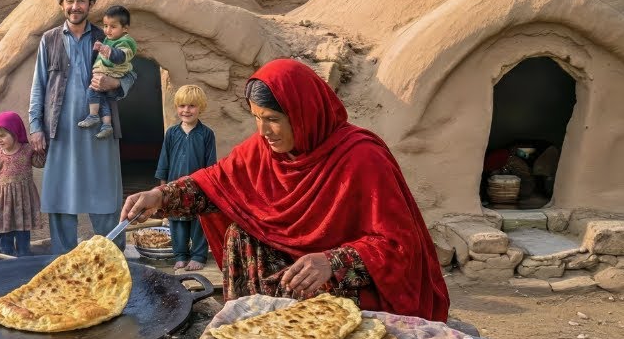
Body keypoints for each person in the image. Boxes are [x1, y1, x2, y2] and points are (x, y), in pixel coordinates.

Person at [120, 59, 449, 321]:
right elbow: (214, 185)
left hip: (339, 283)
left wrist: (332, 262)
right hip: (289, 275)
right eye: (257, 119)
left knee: (325, 315)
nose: (263, 131)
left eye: (273, 119)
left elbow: (397, 245)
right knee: (241, 234)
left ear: (303, 112)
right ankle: (251, 328)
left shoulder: (362, 157)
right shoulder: (263, 151)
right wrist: (160, 197)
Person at [29, 0, 135, 255]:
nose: (76, 6)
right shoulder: (49, 39)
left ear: (90, 4)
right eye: (70, 1)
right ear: (62, 5)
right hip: (60, 131)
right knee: (62, 195)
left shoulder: (105, 37)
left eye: (81, 1)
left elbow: (130, 72)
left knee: (105, 195)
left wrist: (116, 84)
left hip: (101, 130)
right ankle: (64, 261)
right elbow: (39, 85)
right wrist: (35, 127)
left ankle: (110, 260)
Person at [155, 84, 217, 272]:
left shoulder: (206, 134)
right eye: (182, 106)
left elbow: (211, 163)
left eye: (191, 106)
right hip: (175, 185)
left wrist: (209, 188)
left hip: (199, 187)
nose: (186, 110)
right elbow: (164, 159)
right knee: (177, 221)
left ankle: (198, 256)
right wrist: (162, 189)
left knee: (199, 221)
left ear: (201, 108)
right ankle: (181, 255)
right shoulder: (172, 133)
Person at [0, 112, 45, 256]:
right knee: (5, 238)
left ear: (15, 132)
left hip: (23, 202)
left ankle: (23, 261)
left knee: (23, 237)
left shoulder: (27, 150)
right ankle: (6, 264)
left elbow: (40, 163)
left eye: (2, 135)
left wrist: (40, 148)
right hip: (3, 204)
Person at [77, 5, 139, 140]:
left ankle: (93, 116)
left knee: (91, 91)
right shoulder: (109, 39)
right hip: (105, 75)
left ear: (125, 28)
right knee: (103, 100)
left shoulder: (126, 41)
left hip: (113, 74)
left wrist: (105, 49)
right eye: (105, 26)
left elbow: (120, 57)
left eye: (113, 26)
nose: (107, 30)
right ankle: (106, 125)